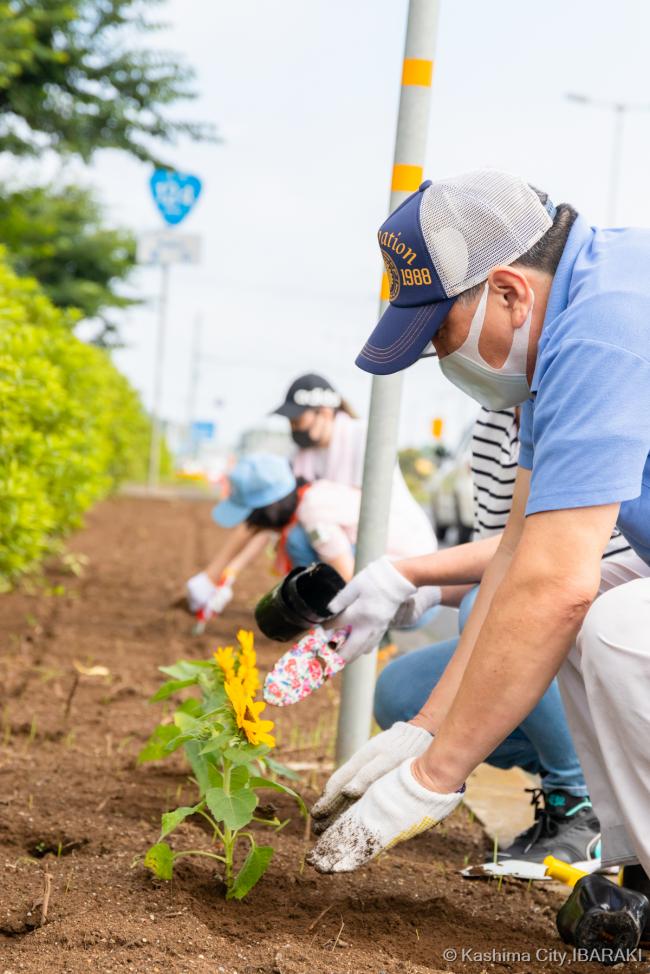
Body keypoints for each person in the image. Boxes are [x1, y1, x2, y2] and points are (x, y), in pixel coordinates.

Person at [306, 169, 650, 916]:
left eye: (440, 332)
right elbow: (521, 554)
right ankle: (643, 868)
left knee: (611, 628)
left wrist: (431, 782)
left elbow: (557, 586)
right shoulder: (563, 336)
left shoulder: (609, 323)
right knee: (586, 621)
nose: (437, 356)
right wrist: (424, 733)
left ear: (508, 291)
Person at [374, 404, 634, 866]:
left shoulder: (586, 398)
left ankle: (579, 807)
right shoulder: (494, 421)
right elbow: (502, 554)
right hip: (561, 616)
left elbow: (553, 559)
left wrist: (409, 571)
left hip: (618, 620)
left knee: (501, 611)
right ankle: (589, 780)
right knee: (402, 692)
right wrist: (428, 593)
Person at [187, 373, 434, 613]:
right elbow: (271, 514)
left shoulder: (364, 437)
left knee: (304, 532)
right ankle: (325, 611)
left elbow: (347, 517)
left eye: (298, 420)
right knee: (299, 535)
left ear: (325, 413)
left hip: (399, 558)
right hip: (348, 541)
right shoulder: (304, 456)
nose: (294, 428)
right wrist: (217, 575)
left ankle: (352, 615)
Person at [188, 453, 436, 618]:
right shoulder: (312, 495)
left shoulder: (314, 514)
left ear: (266, 511)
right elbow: (263, 534)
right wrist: (226, 575)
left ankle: (330, 621)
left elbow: (348, 577)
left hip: (415, 593)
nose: (252, 525)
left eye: (253, 517)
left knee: (298, 542)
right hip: (415, 572)